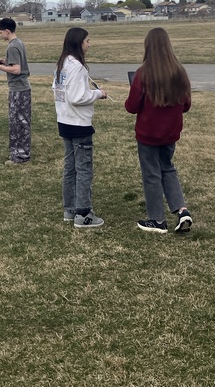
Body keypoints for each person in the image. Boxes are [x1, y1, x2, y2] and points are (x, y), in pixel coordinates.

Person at [124, 27, 193, 234]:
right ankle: (182, 210)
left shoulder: (142, 74)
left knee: (151, 174)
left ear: (148, 47)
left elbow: (132, 106)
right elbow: (186, 105)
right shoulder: (179, 72)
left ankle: (157, 220)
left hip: (148, 134)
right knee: (168, 168)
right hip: (170, 133)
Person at [53, 27, 107, 229]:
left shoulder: (62, 64)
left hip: (65, 121)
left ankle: (70, 208)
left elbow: (62, 93)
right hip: (77, 124)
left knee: (71, 167)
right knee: (83, 169)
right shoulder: (77, 67)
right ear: (78, 43)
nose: (89, 44)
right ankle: (83, 213)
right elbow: (77, 97)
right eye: (87, 41)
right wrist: (97, 94)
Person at [0, 18, 31, 165]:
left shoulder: (12, 46)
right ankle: (20, 153)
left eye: (1, 32)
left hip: (18, 89)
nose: (0, 35)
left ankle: (20, 156)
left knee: (18, 123)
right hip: (23, 88)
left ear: (7, 31)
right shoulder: (19, 43)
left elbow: (16, 69)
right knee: (21, 121)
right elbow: (15, 63)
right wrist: (4, 61)